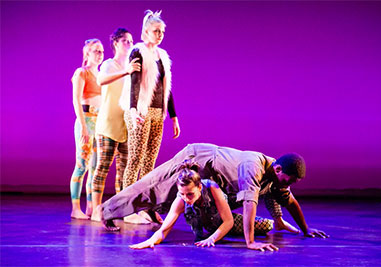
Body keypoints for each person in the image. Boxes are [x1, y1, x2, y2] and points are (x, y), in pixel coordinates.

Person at [98, 143, 328, 250]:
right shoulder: (253, 166)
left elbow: (287, 199)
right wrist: (250, 243)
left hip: (214, 180)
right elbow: (250, 203)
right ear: (279, 170)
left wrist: (305, 229)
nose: (289, 185)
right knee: (155, 187)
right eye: (289, 180)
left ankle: (152, 210)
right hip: (198, 159)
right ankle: (107, 210)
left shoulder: (275, 175)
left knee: (171, 198)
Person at [130, 161, 278, 251]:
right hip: (206, 229)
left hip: (223, 224)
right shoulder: (180, 200)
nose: (186, 198)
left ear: (199, 188)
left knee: (267, 226)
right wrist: (151, 240)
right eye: (182, 193)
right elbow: (164, 230)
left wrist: (212, 239)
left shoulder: (211, 188)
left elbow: (228, 221)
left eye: (190, 194)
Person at [119, 10, 180, 192]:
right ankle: (127, 204)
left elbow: (166, 88)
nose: (160, 35)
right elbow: (134, 83)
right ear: (146, 32)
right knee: (135, 158)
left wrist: (173, 117)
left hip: (156, 113)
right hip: (139, 111)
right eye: (156, 31)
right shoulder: (138, 52)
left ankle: (143, 205)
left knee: (149, 160)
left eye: (162, 31)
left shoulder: (162, 56)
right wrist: (132, 110)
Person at [90, 28, 141, 221]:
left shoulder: (132, 66)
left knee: (124, 170)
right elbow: (101, 80)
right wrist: (125, 72)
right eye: (125, 41)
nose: (129, 43)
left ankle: (123, 210)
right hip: (108, 124)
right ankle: (96, 210)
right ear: (116, 43)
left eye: (131, 40)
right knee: (103, 167)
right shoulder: (109, 65)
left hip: (125, 125)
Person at [70, 39, 104, 219]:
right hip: (86, 121)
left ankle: (91, 206)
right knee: (82, 164)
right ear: (87, 54)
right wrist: (83, 126)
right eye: (96, 51)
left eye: (101, 51)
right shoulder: (81, 73)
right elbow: (76, 100)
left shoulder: (102, 75)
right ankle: (76, 208)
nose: (99, 54)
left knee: (95, 166)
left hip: (100, 123)